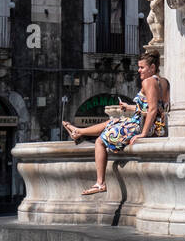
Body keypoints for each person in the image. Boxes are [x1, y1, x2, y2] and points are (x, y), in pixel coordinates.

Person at [62, 54, 170, 195]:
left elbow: (152, 109)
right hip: (159, 128)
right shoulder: (164, 82)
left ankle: (100, 183)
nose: (139, 70)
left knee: (100, 141)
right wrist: (130, 107)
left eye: (142, 67)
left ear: (153, 67)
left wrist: (143, 133)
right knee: (113, 121)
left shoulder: (148, 82)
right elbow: (156, 108)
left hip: (143, 127)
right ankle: (79, 132)